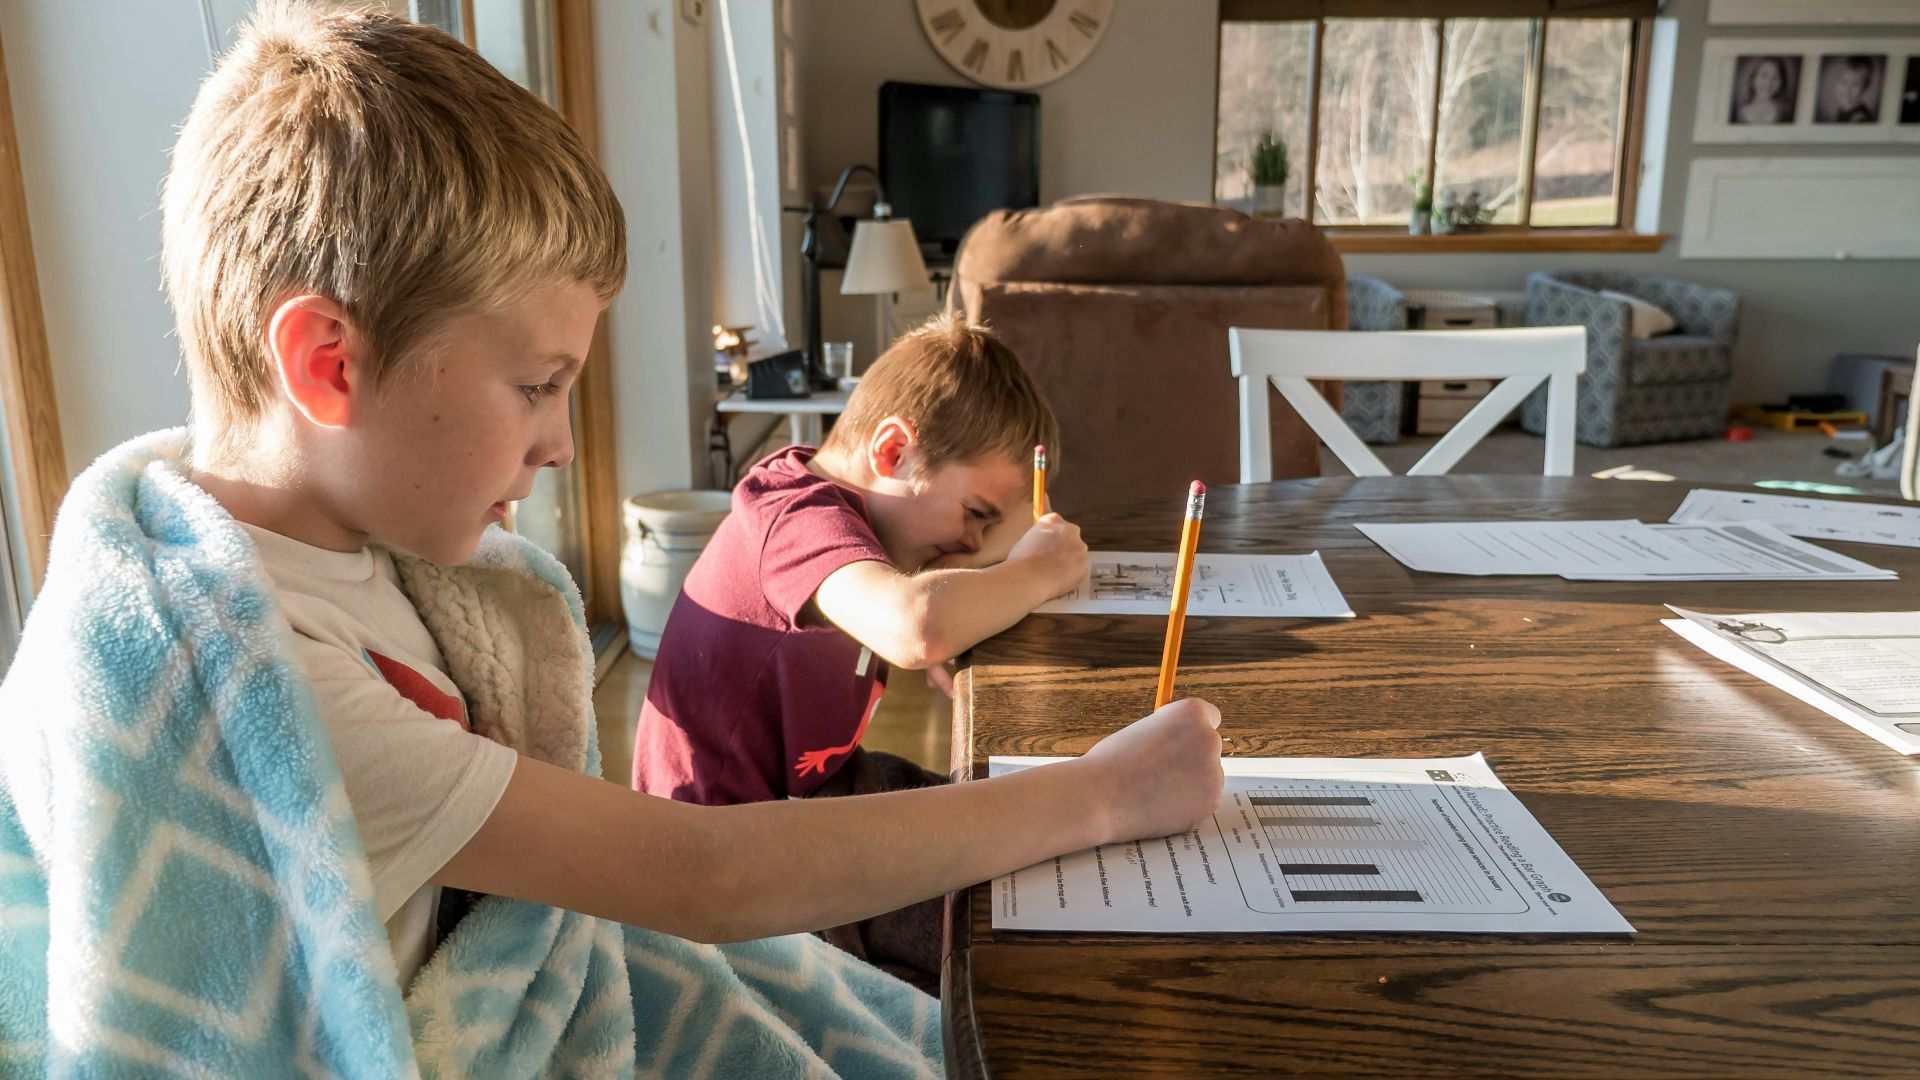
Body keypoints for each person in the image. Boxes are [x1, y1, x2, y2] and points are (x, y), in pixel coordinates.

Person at [0, 3, 1225, 1071]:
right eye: (538, 385)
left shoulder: (346, 551)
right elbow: (707, 880)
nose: (563, 449)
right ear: (330, 365)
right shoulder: (261, 685)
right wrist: (1105, 795)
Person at [632, 313, 1083, 987]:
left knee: (1015, 845)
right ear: (893, 451)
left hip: (816, 795)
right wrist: (1034, 574)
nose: (974, 547)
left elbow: (915, 615)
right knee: (996, 939)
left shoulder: (859, 518)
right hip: (725, 868)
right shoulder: (792, 516)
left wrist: (972, 598)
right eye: (975, 515)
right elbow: (915, 625)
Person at [1733, 56, 1793, 125]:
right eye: (1764, 76)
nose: (1769, 83)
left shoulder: (1785, 112)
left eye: (1775, 78)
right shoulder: (1741, 112)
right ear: (1753, 79)